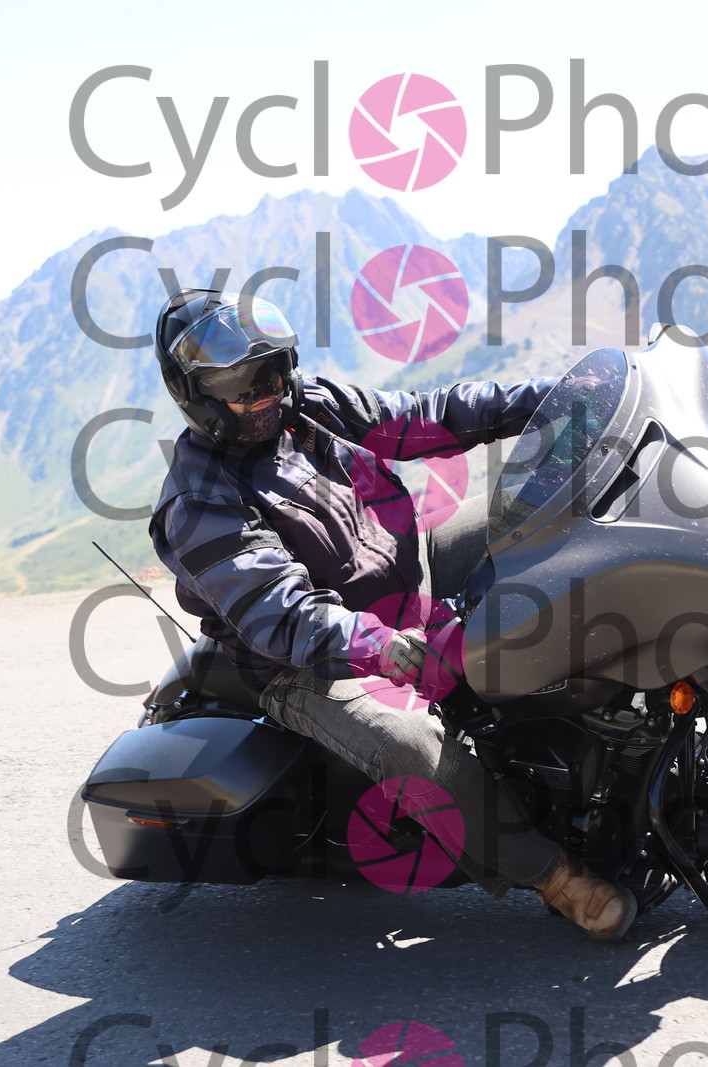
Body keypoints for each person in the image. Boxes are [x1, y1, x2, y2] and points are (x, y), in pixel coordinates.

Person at [147, 288, 637, 941]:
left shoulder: (312, 406)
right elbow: (281, 613)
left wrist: (554, 399)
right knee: (413, 744)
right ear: (194, 395)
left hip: (407, 570)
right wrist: (382, 645)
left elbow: (428, 416)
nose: (264, 395)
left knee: (542, 516)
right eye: (241, 387)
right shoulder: (199, 499)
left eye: (270, 374)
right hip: (308, 663)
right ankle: (554, 876)